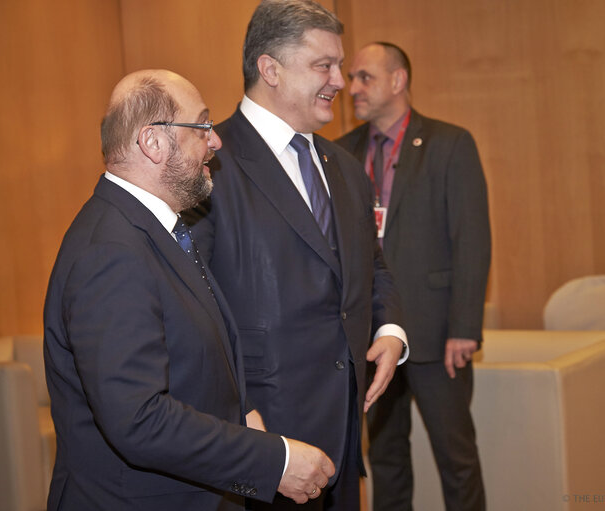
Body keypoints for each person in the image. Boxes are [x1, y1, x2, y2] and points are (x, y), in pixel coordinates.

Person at [43, 69, 335, 511]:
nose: (215, 141)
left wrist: (244, 421)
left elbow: (187, 363)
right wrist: (274, 462)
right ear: (153, 142)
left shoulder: (155, 231)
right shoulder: (110, 250)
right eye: (201, 126)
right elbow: (138, 419)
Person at [187, 1, 407, 509]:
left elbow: (373, 267)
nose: (340, 81)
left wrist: (390, 330)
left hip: (347, 434)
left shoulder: (346, 168)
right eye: (323, 66)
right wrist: (241, 412)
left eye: (340, 65)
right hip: (264, 439)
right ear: (270, 69)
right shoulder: (209, 167)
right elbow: (194, 308)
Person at [335, 42, 491, 511]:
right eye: (352, 77)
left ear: (398, 80)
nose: (351, 88)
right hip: (372, 337)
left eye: (365, 77)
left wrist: (464, 327)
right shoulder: (342, 152)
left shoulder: (450, 143)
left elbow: (472, 239)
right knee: (384, 457)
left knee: (456, 457)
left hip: (436, 334)